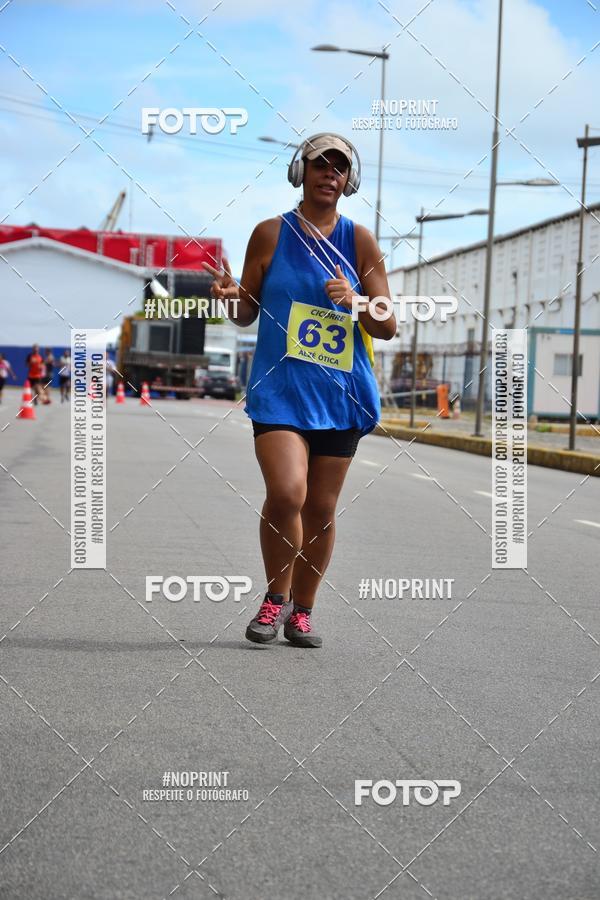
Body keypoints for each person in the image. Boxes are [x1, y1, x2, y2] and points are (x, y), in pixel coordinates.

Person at [203, 133, 396, 648]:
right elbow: (246, 312)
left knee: (320, 511)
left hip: (340, 397)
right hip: (280, 391)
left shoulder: (360, 242)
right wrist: (228, 296)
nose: (329, 173)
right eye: (320, 164)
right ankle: (275, 598)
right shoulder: (270, 234)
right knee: (288, 493)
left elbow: (387, 324)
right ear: (301, 172)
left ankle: (302, 611)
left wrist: (357, 301)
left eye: (339, 167)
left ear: (348, 179)